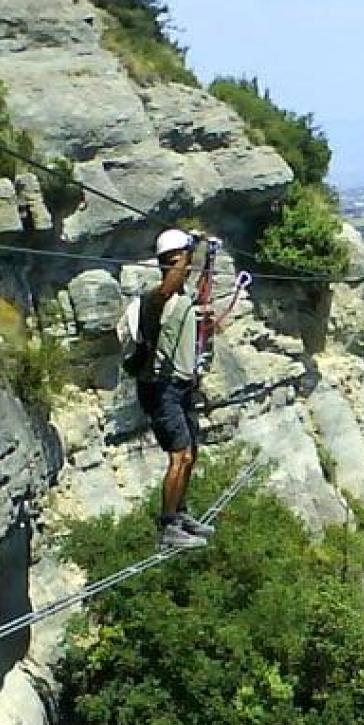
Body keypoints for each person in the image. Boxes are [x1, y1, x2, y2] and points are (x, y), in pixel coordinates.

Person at [136, 229, 217, 549]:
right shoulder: (155, 300)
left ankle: (180, 514)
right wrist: (187, 250)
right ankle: (167, 528)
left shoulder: (182, 298)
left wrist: (201, 253)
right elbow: (167, 287)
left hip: (180, 386)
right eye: (182, 261)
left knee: (191, 454)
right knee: (179, 456)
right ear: (173, 262)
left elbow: (197, 288)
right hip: (161, 388)